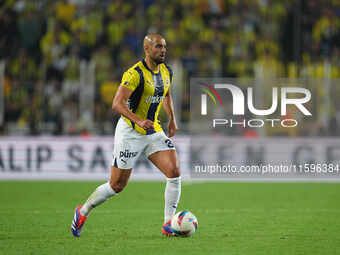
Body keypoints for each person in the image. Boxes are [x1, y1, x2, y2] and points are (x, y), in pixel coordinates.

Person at [71, 34, 181, 237]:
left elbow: (166, 95)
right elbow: (117, 103)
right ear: (147, 49)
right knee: (117, 185)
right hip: (130, 132)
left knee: (174, 172)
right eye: (158, 47)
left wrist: (172, 119)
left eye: (165, 46)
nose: (163, 50)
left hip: (153, 129)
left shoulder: (167, 71)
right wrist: (138, 120)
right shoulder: (135, 74)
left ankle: (168, 224)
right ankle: (83, 210)